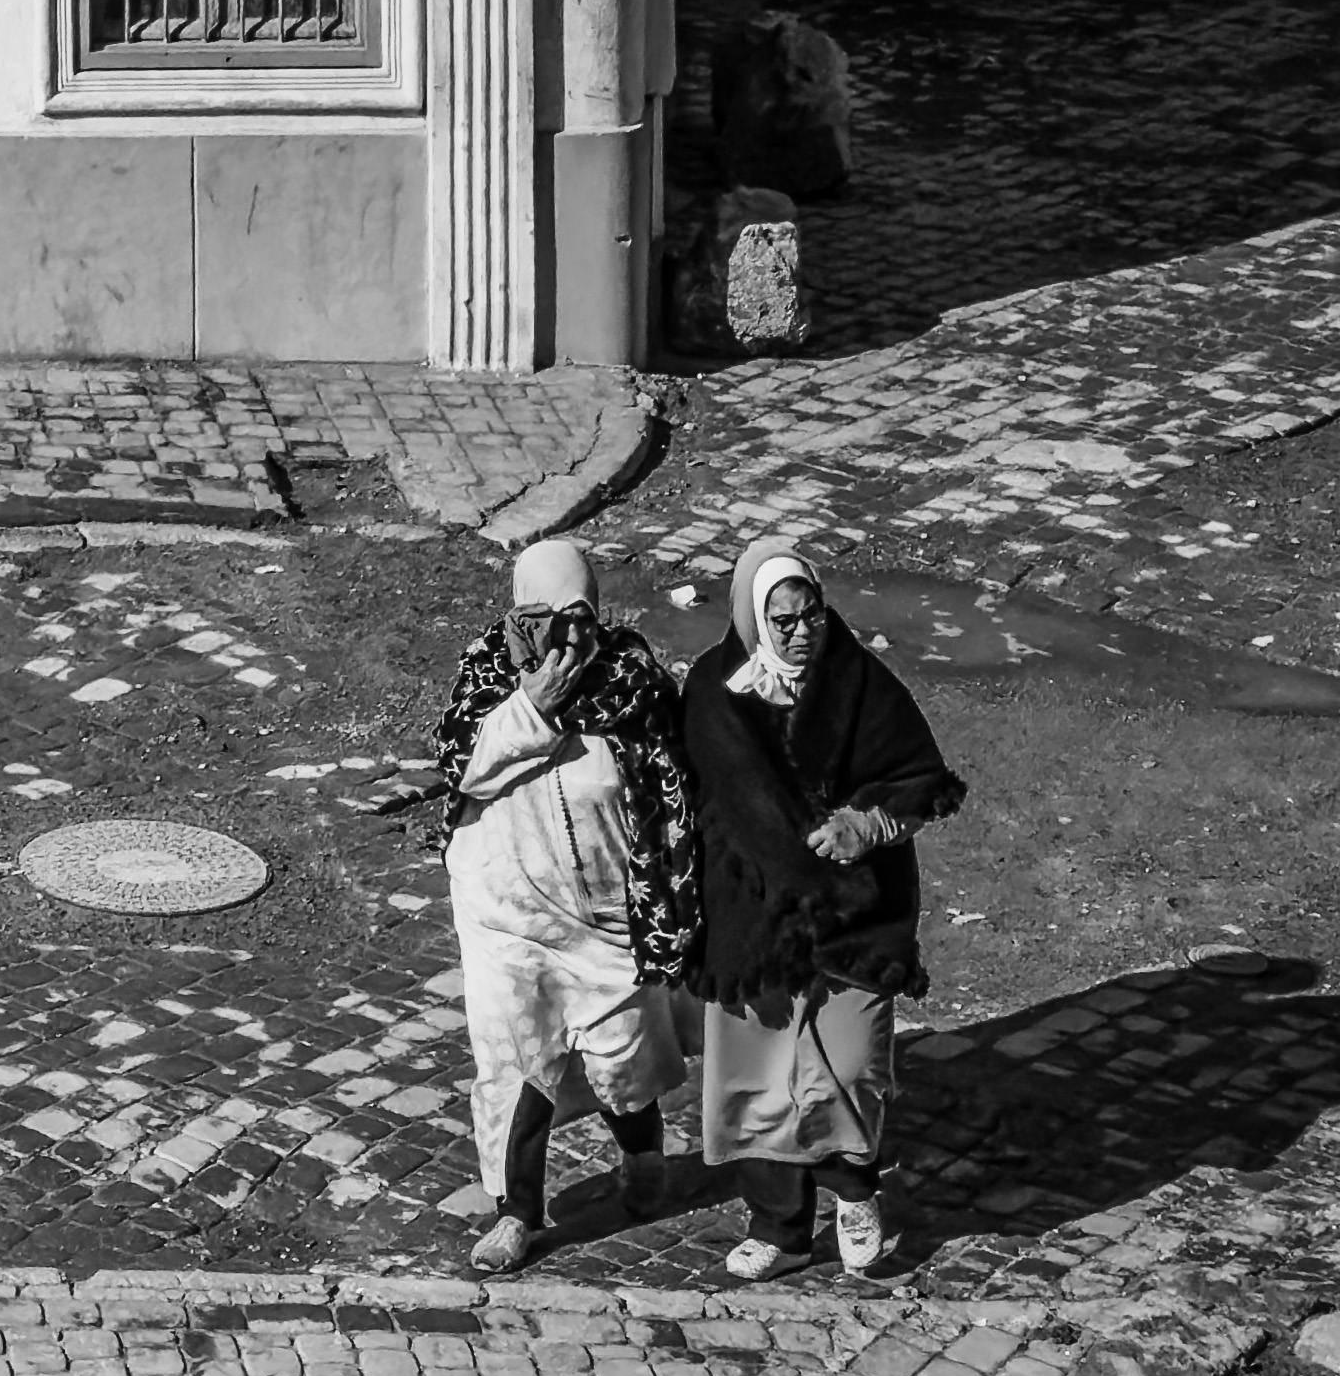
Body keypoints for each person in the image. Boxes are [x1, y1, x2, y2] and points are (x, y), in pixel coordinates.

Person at [411, 533, 702, 1277]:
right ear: (517, 615)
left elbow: (675, 799)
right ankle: (517, 1212)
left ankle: (645, 1162)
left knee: (622, 1056)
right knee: (517, 1066)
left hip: (607, 914)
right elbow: (463, 768)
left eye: (576, 616)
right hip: (506, 913)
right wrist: (532, 709)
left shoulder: (634, 685)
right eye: (541, 616)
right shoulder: (487, 678)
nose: (561, 635)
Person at [677, 531, 963, 1281]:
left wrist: (865, 825)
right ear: (751, 621)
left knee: (853, 1060)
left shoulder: (862, 683)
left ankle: (856, 1193)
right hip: (756, 914)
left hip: (855, 911)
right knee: (763, 1075)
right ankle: (780, 1227)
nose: (803, 634)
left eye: (813, 616)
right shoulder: (713, 692)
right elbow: (701, 801)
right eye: (784, 622)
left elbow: (916, 781)